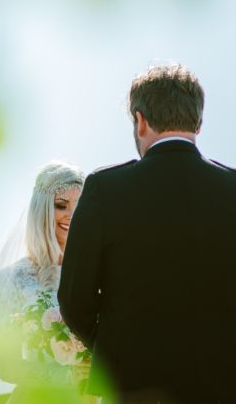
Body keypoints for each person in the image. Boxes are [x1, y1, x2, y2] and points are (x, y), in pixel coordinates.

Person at [58, 64, 236, 403]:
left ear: (140, 120)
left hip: (134, 387)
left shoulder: (105, 189)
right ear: (198, 122)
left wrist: (116, 347)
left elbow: (73, 299)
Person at [0, 161, 91, 404]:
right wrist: (66, 375)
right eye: (61, 205)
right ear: (41, 210)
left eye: (79, 206)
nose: (71, 215)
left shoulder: (98, 277)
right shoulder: (9, 281)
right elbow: (6, 365)